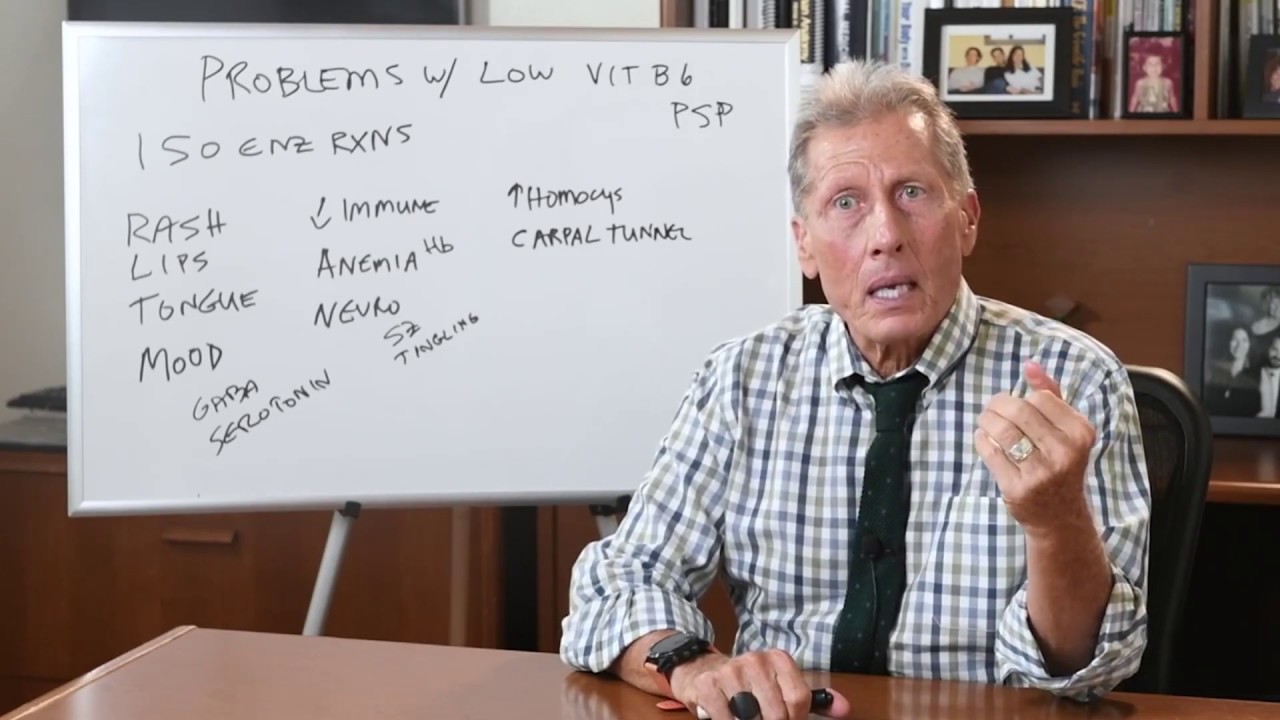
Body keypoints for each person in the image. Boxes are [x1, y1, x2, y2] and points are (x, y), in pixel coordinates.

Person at [559, 59, 1151, 720]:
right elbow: (619, 585)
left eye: (912, 193)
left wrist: (1055, 521)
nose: (885, 237)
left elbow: (1084, 671)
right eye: (846, 203)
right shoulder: (743, 378)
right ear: (805, 246)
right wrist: (697, 668)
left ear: (967, 219)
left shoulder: (1074, 380)